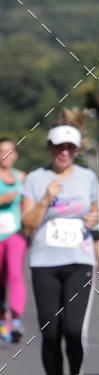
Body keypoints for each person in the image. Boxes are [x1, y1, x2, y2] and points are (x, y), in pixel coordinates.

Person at [22, 124, 98, 375]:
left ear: (76, 151)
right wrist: (45, 198)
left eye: (70, 148)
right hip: (44, 263)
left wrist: (94, 218)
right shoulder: (36, 179)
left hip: (79, 261)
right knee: (50, 333)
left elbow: (97, 213)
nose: (64, 152)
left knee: (73, 329)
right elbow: (27, 224)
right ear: (50, 148)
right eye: (58, 147)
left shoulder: (87, 178)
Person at [0, 138, 27, 343]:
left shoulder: (22, 177)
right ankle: (3, 316)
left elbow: (30, 204)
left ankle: (16, 319)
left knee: (15, 274)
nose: (5, 156)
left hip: (15, 234)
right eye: (1, 152)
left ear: (15, 154)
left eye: (9, 152)